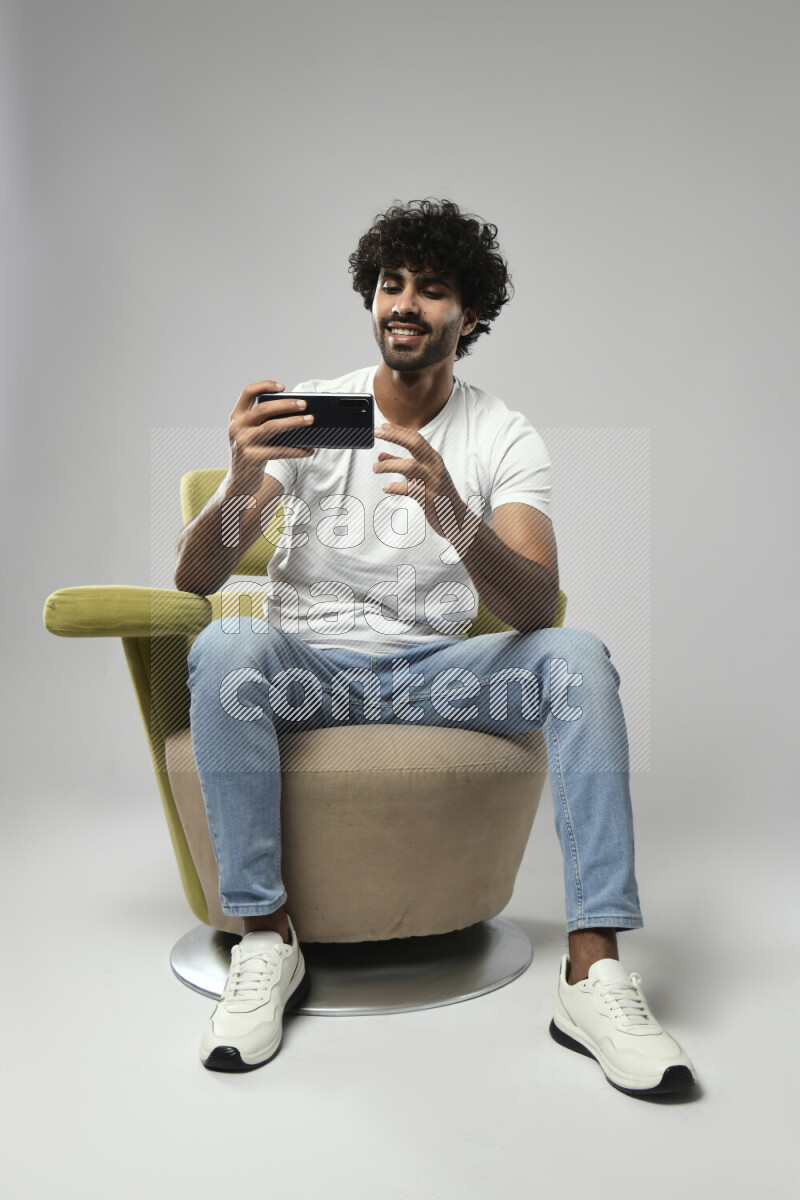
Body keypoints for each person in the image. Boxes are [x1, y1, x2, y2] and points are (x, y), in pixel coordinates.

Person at [175, 199, 697, 1095]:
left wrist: (454, 514)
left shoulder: (500, 434)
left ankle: (593, 971)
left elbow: (536, 603)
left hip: (437, 680)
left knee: (577, 657)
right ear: (371, 300)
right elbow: (197, 577)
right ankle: (264, 942)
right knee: (226, 647)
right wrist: (242, 482)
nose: (404, 303)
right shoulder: (324, 413)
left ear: (473, 316)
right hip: (312, 674)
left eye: (431, 288)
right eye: (390, 285)